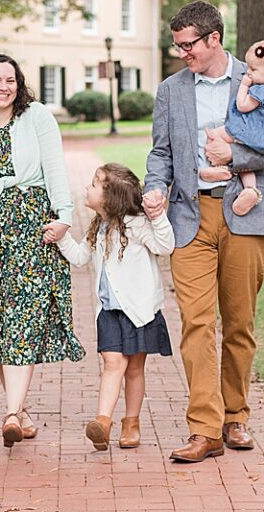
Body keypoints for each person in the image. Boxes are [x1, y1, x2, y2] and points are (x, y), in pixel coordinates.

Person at [143, 1, 264, 463]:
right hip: (188, 218)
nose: (181, 53)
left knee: (239, 323)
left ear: (215, 39)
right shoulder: (171, 90)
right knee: (195, 323)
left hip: (245, 216)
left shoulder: (261, 79)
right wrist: (154, 189)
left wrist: (236, 159)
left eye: (188, 44)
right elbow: (160, 152)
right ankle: (204, 429)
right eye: (177, 45)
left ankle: (236, 418)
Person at [0, 54, 84, 448]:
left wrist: (65, 216)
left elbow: (55, 167)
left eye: (10, 80)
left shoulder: (38, 117)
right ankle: (19, 411)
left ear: (19, 84)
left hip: (32, 226)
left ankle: (10, 412)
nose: (3, 86)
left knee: (24, 316)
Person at [57, 163, 175, 452]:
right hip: (109, 312)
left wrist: (158, 216)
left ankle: (131, 423)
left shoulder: (137, 225)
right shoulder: (97, 227)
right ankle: (103, 422)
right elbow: (80, 257)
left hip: (139, 310)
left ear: (111, 197)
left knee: (134, 369)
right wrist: (60, 236)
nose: (88, 187)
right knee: (113, 363)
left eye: (95, 184)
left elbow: (165, 245)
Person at [200, 38, 264, 216]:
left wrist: (245, 86)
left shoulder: (261, 90)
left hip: (251, 134)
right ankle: (250, 191)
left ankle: (221, 169)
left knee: (215, 134)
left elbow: (242, 105)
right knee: (249, 164)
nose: (248, 72)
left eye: (253, 69)